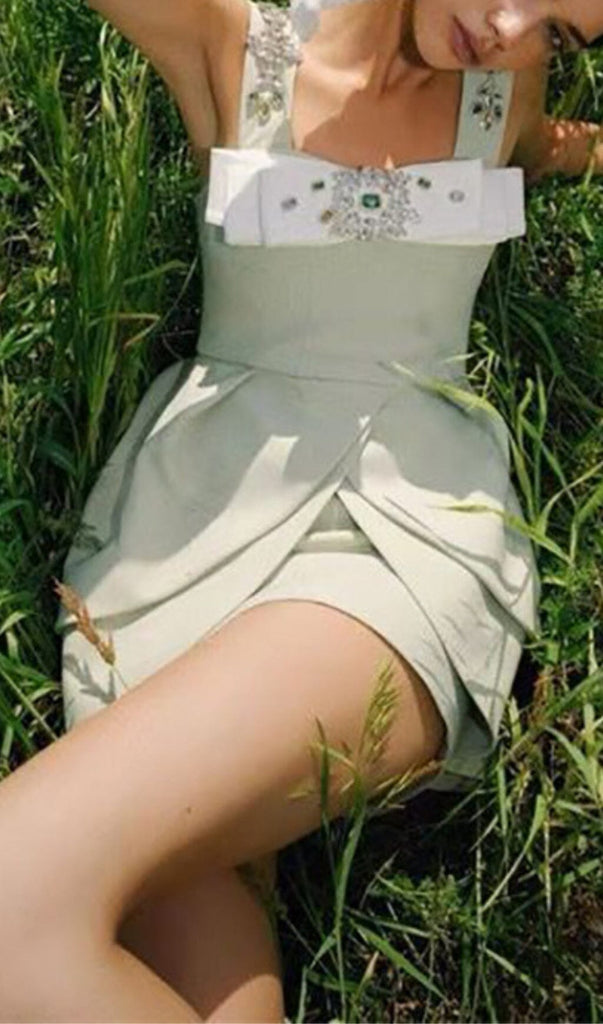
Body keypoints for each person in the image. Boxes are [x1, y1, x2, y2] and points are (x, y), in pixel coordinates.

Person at [1, 0, 601, 1020]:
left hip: (397, 543)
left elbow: (549, 147)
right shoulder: (235, 38)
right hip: (181, 539)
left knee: (14, 901)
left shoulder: (503, 95)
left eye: (557, 31)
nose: (511, 30)